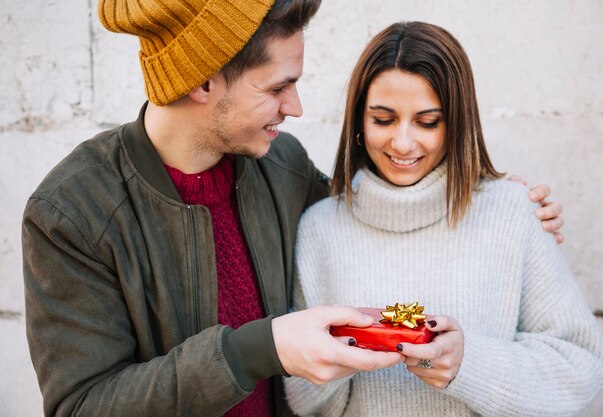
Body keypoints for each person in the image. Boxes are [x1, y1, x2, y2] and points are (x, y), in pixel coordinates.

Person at [21, 1, 563, 416]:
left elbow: (375, 211)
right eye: (279, 87)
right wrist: (257, 350)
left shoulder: (282, 164)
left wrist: (494, 198)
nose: (295, 107)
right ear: (202, 79)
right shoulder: (74, 213)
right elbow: (82, 405)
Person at [284, 21, 603, 417]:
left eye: (427, 122)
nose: (403, 143)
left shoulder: (511, 212)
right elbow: (302, 401)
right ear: (358, 120)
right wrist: (341, 353)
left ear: (456, 122)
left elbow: (583, 367)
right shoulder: (319, 228)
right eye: (383, 119)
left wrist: (468, 364)